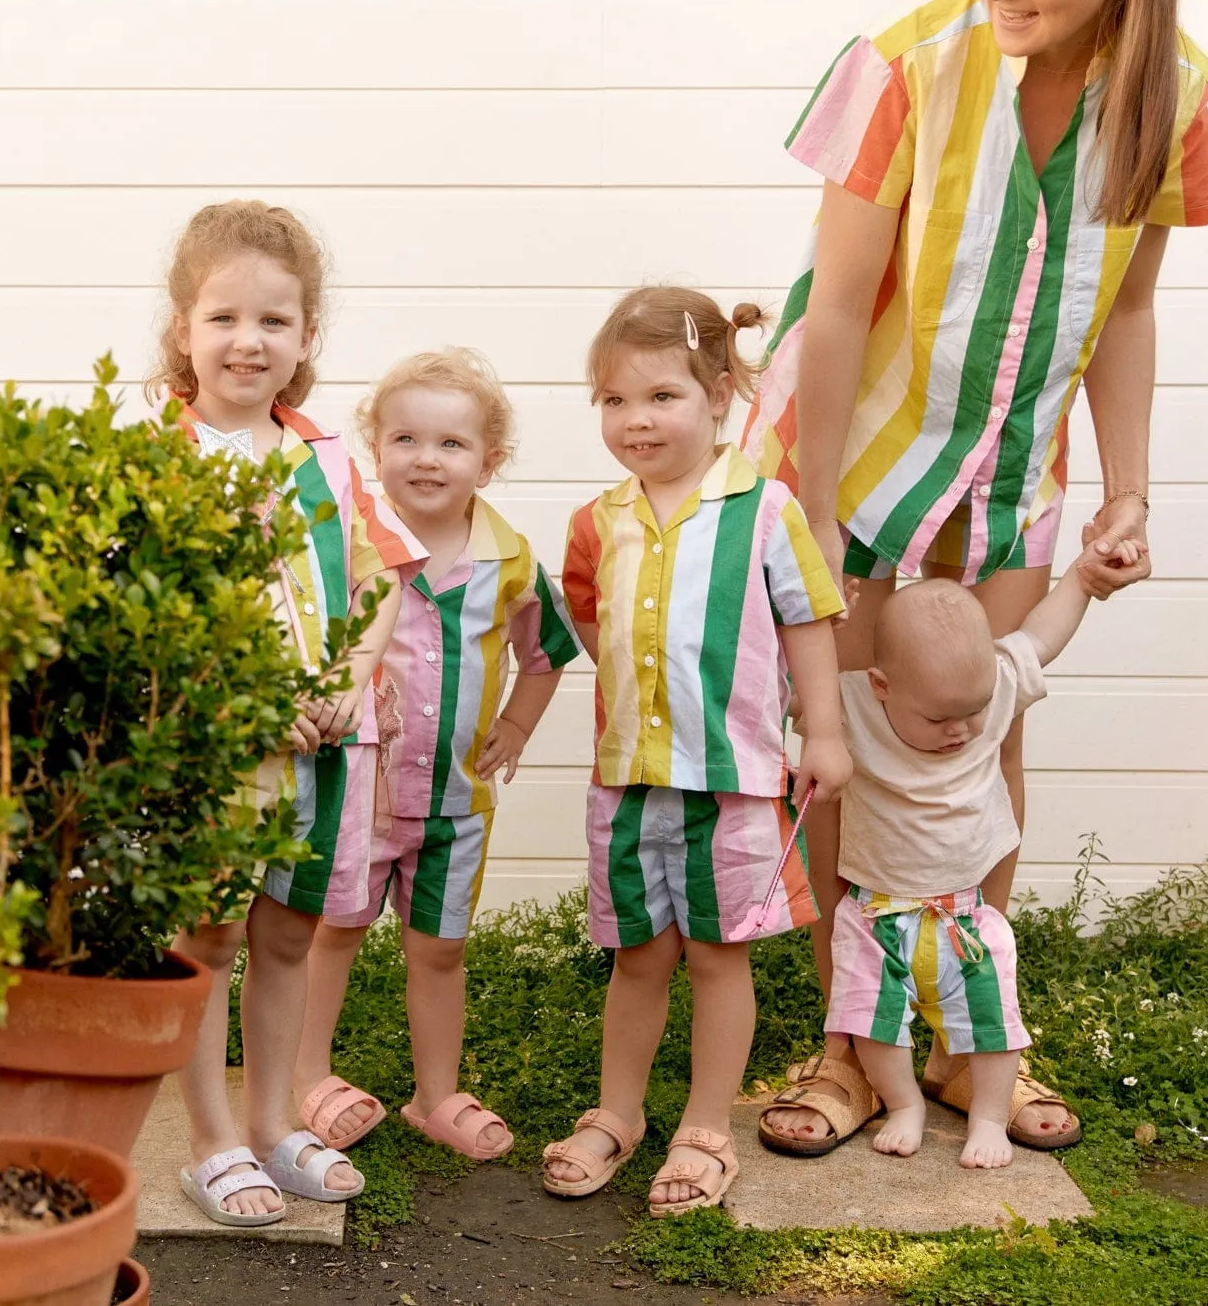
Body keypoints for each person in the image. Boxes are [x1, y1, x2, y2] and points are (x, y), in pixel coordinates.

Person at [747, 0, 1208, 1157]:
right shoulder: (898, 66)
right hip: (853, 463)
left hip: (1012, 478)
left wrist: (1129, 491)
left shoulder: (1183, 96)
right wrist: (809, 505)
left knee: (982, 738)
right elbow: (840, 299)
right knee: (843, 747)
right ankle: (852, 1048)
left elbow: (1124, 305)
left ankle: (972, 1039)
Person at [541, 288, 849, 1216]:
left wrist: (823, 732)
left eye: (661, 396)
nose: (636, 420)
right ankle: (617, 1113)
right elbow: (594, 624)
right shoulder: (598, 521)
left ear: (719, 395)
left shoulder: (765, 509)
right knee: (639, 956)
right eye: (614, 401)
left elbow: (809, 620)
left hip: (736, 783)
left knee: (718, 958)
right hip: (629, 782)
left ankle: (706, 1125)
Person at [158, 201, 425, 1227]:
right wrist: (252, 704)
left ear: (305, 338)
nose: (247, 341)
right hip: (222, 752)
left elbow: (383, 572)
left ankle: (274, 1122)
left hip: (325, 753)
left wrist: (351, 674)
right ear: (183, 327)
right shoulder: (161, 457)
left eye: (273, 322)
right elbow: (158, 613)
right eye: (223, 318)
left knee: (286, 934)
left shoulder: (326, 460)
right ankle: (210, 1137)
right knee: (209, 938)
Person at [294, 347, 583, 1161]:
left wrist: (519, 727)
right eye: (406, 440)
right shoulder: (354, 546)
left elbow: (547, 650)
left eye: (451, 444)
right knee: (334, 930)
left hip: (455, 802)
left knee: (441, 946)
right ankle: (304, 1073)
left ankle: (436, 1091)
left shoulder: (510, 559)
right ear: (373, 448)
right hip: (356, 792)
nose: (426, 458)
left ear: (489, 461)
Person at [829, 541, 1139, 1170]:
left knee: (996, 1026)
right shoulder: (848, 705)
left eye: (973, 714)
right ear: (882, 687)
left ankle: (989, 1116)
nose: (962, 731)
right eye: (941, 717)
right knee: (871, 1022)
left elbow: (1041, 636)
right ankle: (904, 1101)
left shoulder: (991, 689)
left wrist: (1081, 580)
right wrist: (813, 615)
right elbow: (773, 680)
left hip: (967, 917)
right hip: (873, 914)